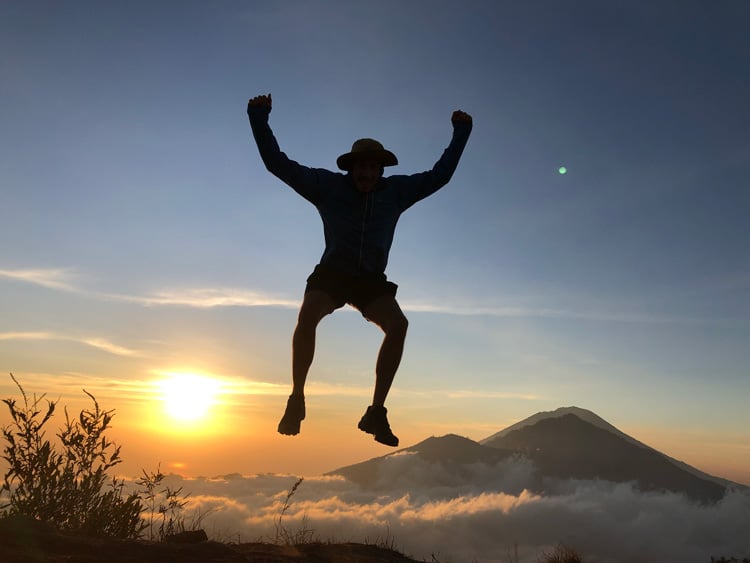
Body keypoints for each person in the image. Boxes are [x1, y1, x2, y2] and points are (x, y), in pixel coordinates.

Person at [247, 93, 472, 446]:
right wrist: (259, 119)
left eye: (373, 167)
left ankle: (376, 412)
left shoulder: (395, 192)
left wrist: (461, 133)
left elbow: (439, 176)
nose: (366, 173)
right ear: (350, 169)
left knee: (398, 325)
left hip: (370, 281)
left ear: (381, 170)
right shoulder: (327, 187)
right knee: (307, 316)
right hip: (333, 273)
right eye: (361, 167)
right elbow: (278, 164)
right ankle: (297, 399)